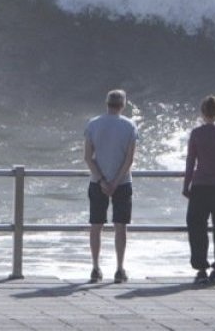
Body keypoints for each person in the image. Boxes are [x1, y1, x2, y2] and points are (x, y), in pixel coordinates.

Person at [82, 89, 138, 284]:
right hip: (122, 182)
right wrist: (115, 181)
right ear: (123, 105)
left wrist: (101, 180)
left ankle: (96, 267)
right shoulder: (129, 126)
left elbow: (88, 157)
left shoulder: (93, 124)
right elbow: (129, 159)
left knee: (96, 225)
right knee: (120, 226)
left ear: (106, 103)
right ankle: (119, 268)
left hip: (98, 181)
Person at [183, 95, 215, 285]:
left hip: (200, 186)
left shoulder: (196, 134)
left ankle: (202, 268)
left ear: (203, 112)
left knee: (197, 227)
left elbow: (191, 161)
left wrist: (186, 184)